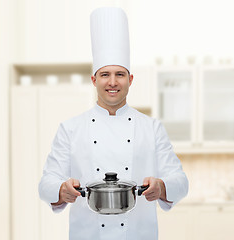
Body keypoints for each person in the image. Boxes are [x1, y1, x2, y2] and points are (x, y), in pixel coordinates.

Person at [39, 7, 188, 240]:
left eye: (119, 74)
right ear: (94, 80)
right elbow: (46, 183)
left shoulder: (152, 128)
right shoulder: (70, 129)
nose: (112, 82)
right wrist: (61, 190)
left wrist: (162, 186)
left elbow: (181, 181)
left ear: (130, 79)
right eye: (105, 74)